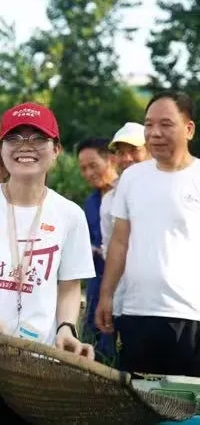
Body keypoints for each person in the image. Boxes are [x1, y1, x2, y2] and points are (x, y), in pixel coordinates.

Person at [0, 102, 95, 425]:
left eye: (37, 138)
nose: (25, 146)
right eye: (14, 138)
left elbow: (68, 287)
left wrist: (66, 328)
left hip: (34, 363)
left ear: (56, 150)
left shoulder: (70, 215)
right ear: (2, 150)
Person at [96, 91, 200, 377]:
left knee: (188, 409)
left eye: (166, 124)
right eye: (149, 124)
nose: (154, 133)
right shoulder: (132, 178)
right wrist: (107, 295)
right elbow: (119, 242)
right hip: (137, 312)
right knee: (139, 404)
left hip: (190, 315)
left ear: (188, 129)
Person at [98, 122, 150, 340]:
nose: (126, 158)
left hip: (172, 304)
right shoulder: (109, 200)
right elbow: (110, 249)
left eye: (134, 150)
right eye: (120, 152)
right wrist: (108, 297)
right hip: (127, 301)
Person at [75, 138, 118, 362]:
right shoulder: (90, 202)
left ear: (111, 159)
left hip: (122, 282)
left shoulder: (126, 193)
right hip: (96, 280)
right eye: (83, 169)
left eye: (93, 165)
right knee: (93, 340)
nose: (89, 173)